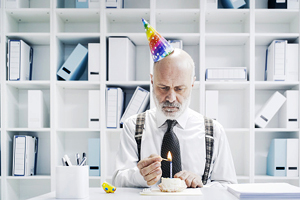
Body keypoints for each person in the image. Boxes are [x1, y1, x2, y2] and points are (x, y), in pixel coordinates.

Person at [112, 19, 237, 188]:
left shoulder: (214, 131)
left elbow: (229, 186)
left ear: (192, 84)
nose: (170, 98)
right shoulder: (133, 126)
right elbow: (118, 180)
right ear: (152, 81)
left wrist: (200, 185)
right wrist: (140, 175)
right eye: (163, 87)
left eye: (179, 89)